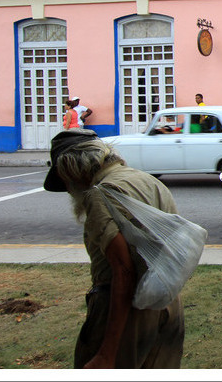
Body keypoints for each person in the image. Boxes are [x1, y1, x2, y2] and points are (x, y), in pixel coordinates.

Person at [43, 129, 185, 368]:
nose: (68, 190)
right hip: (167, 304)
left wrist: (107, 352)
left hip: (126, 308)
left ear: (71, 169)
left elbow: (124, 272)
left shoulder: (99, 194)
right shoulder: (146, 180)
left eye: (65, 181)